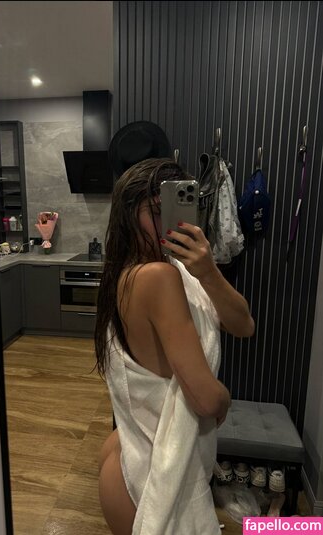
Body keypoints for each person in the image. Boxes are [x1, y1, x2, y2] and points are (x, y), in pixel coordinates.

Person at [95, 158, 255, 535]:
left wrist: (208, 271)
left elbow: (244, 324)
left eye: (176, 207)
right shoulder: (160, 276)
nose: (170, 221)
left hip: (134, 447)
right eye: (155, 211)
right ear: (127, 215)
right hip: (152, 471)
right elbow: (208, 401)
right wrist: (223, 401)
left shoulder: (142, 270)